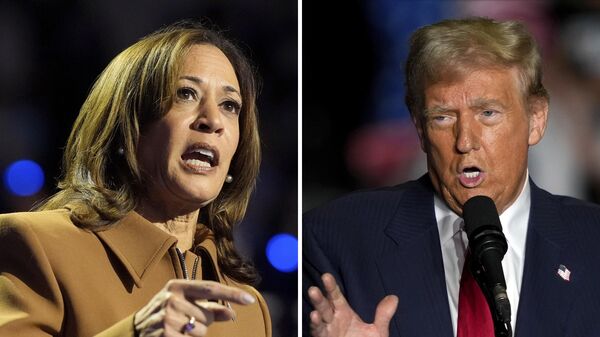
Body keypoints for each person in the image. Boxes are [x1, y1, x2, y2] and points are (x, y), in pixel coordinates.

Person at [303, 17, 600, 337]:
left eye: (488, 113)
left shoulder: (592, 242)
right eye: (443, 117)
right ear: (420, 128)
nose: (465, 141)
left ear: (536, 119)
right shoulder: (335, 239)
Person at [0, 21, 271, 337]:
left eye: (230, 105)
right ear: (126, 127)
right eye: (186, 93)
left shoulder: (247, 308)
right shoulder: (37, 246)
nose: (212, 120)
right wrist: (134, 333)